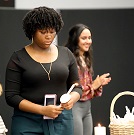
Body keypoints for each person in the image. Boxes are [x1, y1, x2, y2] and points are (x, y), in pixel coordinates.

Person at [5, 6, 82, 135]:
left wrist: (72, 99)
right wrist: (42, 110)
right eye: (43, 32)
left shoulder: (66, 54)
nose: (48, 36)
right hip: (27, 122)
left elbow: (77, 86)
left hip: (61, 120)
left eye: (52, 32)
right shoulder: (18, 58)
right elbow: (11, 97)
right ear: (32, 31)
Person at [65, 23, 111, 135]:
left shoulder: (85, 58)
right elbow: (72, 89)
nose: (88, 41)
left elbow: (89, 91)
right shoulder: (69, 60)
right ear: (76, 39)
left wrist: (98, 84)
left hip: (87, 108)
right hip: (75, 107)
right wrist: (93, 85)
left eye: (89, 38)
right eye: (84, 38)